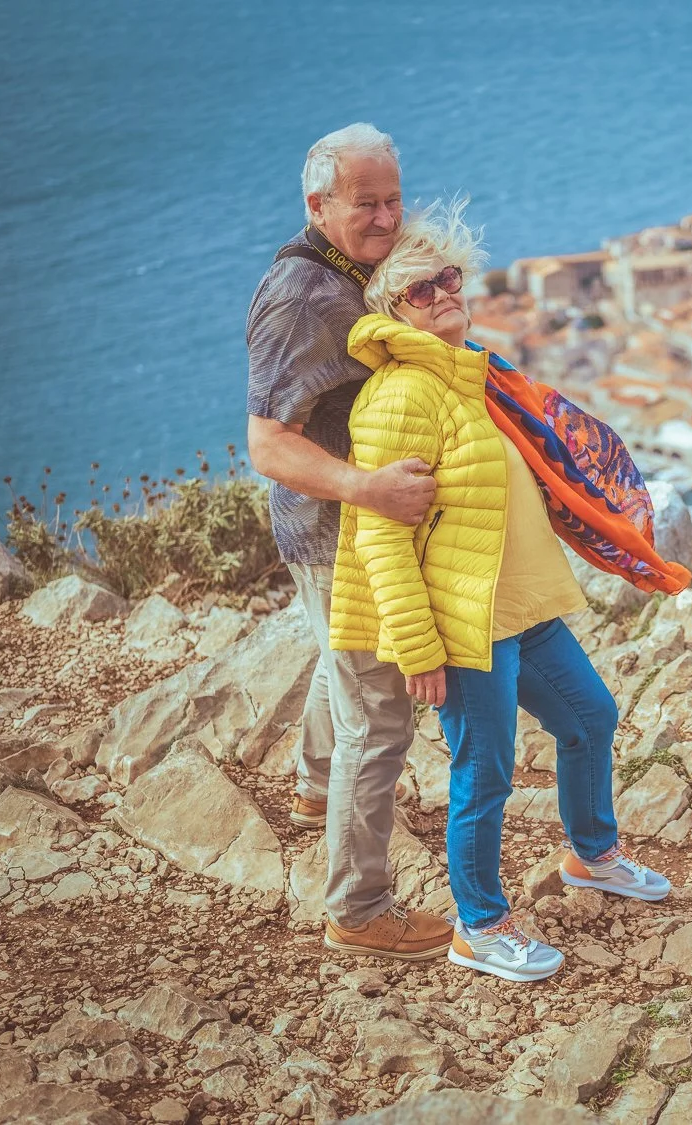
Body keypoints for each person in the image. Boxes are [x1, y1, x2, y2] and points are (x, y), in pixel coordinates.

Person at [329, 200, 692, 982]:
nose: (444, 294)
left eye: (450, 278)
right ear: (394, 311)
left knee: (591, 716)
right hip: (467, 626)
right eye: (422, 290)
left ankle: (592, 854)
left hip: (522, 610)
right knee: (484, 771)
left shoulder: (472, 375)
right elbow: (382, 538)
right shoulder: (400, 397)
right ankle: (481, 925)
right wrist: (419, 648)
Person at [247, 124, 453, 961]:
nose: (385, 217)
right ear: (318, 204)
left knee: (344, 669)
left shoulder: (352, 270)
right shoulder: (300, 298)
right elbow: (266, 442)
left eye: (393, 198)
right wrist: (371, 488)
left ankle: (310, 791)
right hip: (340, 532)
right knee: (381, 714)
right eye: (366, 203)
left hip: (345, 529)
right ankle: (359, 908)